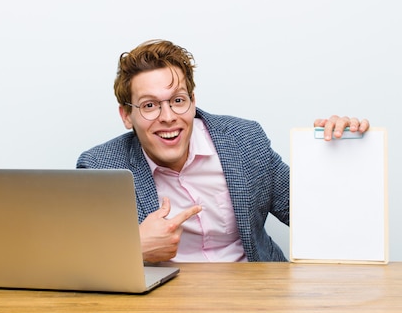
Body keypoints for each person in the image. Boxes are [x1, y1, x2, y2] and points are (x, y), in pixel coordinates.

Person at [76, 39, 370, 263]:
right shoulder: (101, 167)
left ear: (192, 101)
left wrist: (342, 155)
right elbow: (77, 259)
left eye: (177, 100)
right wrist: (131, 248)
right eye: (150, 105)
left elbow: (314, 214)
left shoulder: (244, 142)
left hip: (257, 303)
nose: (167, 117)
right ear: (127, 116)